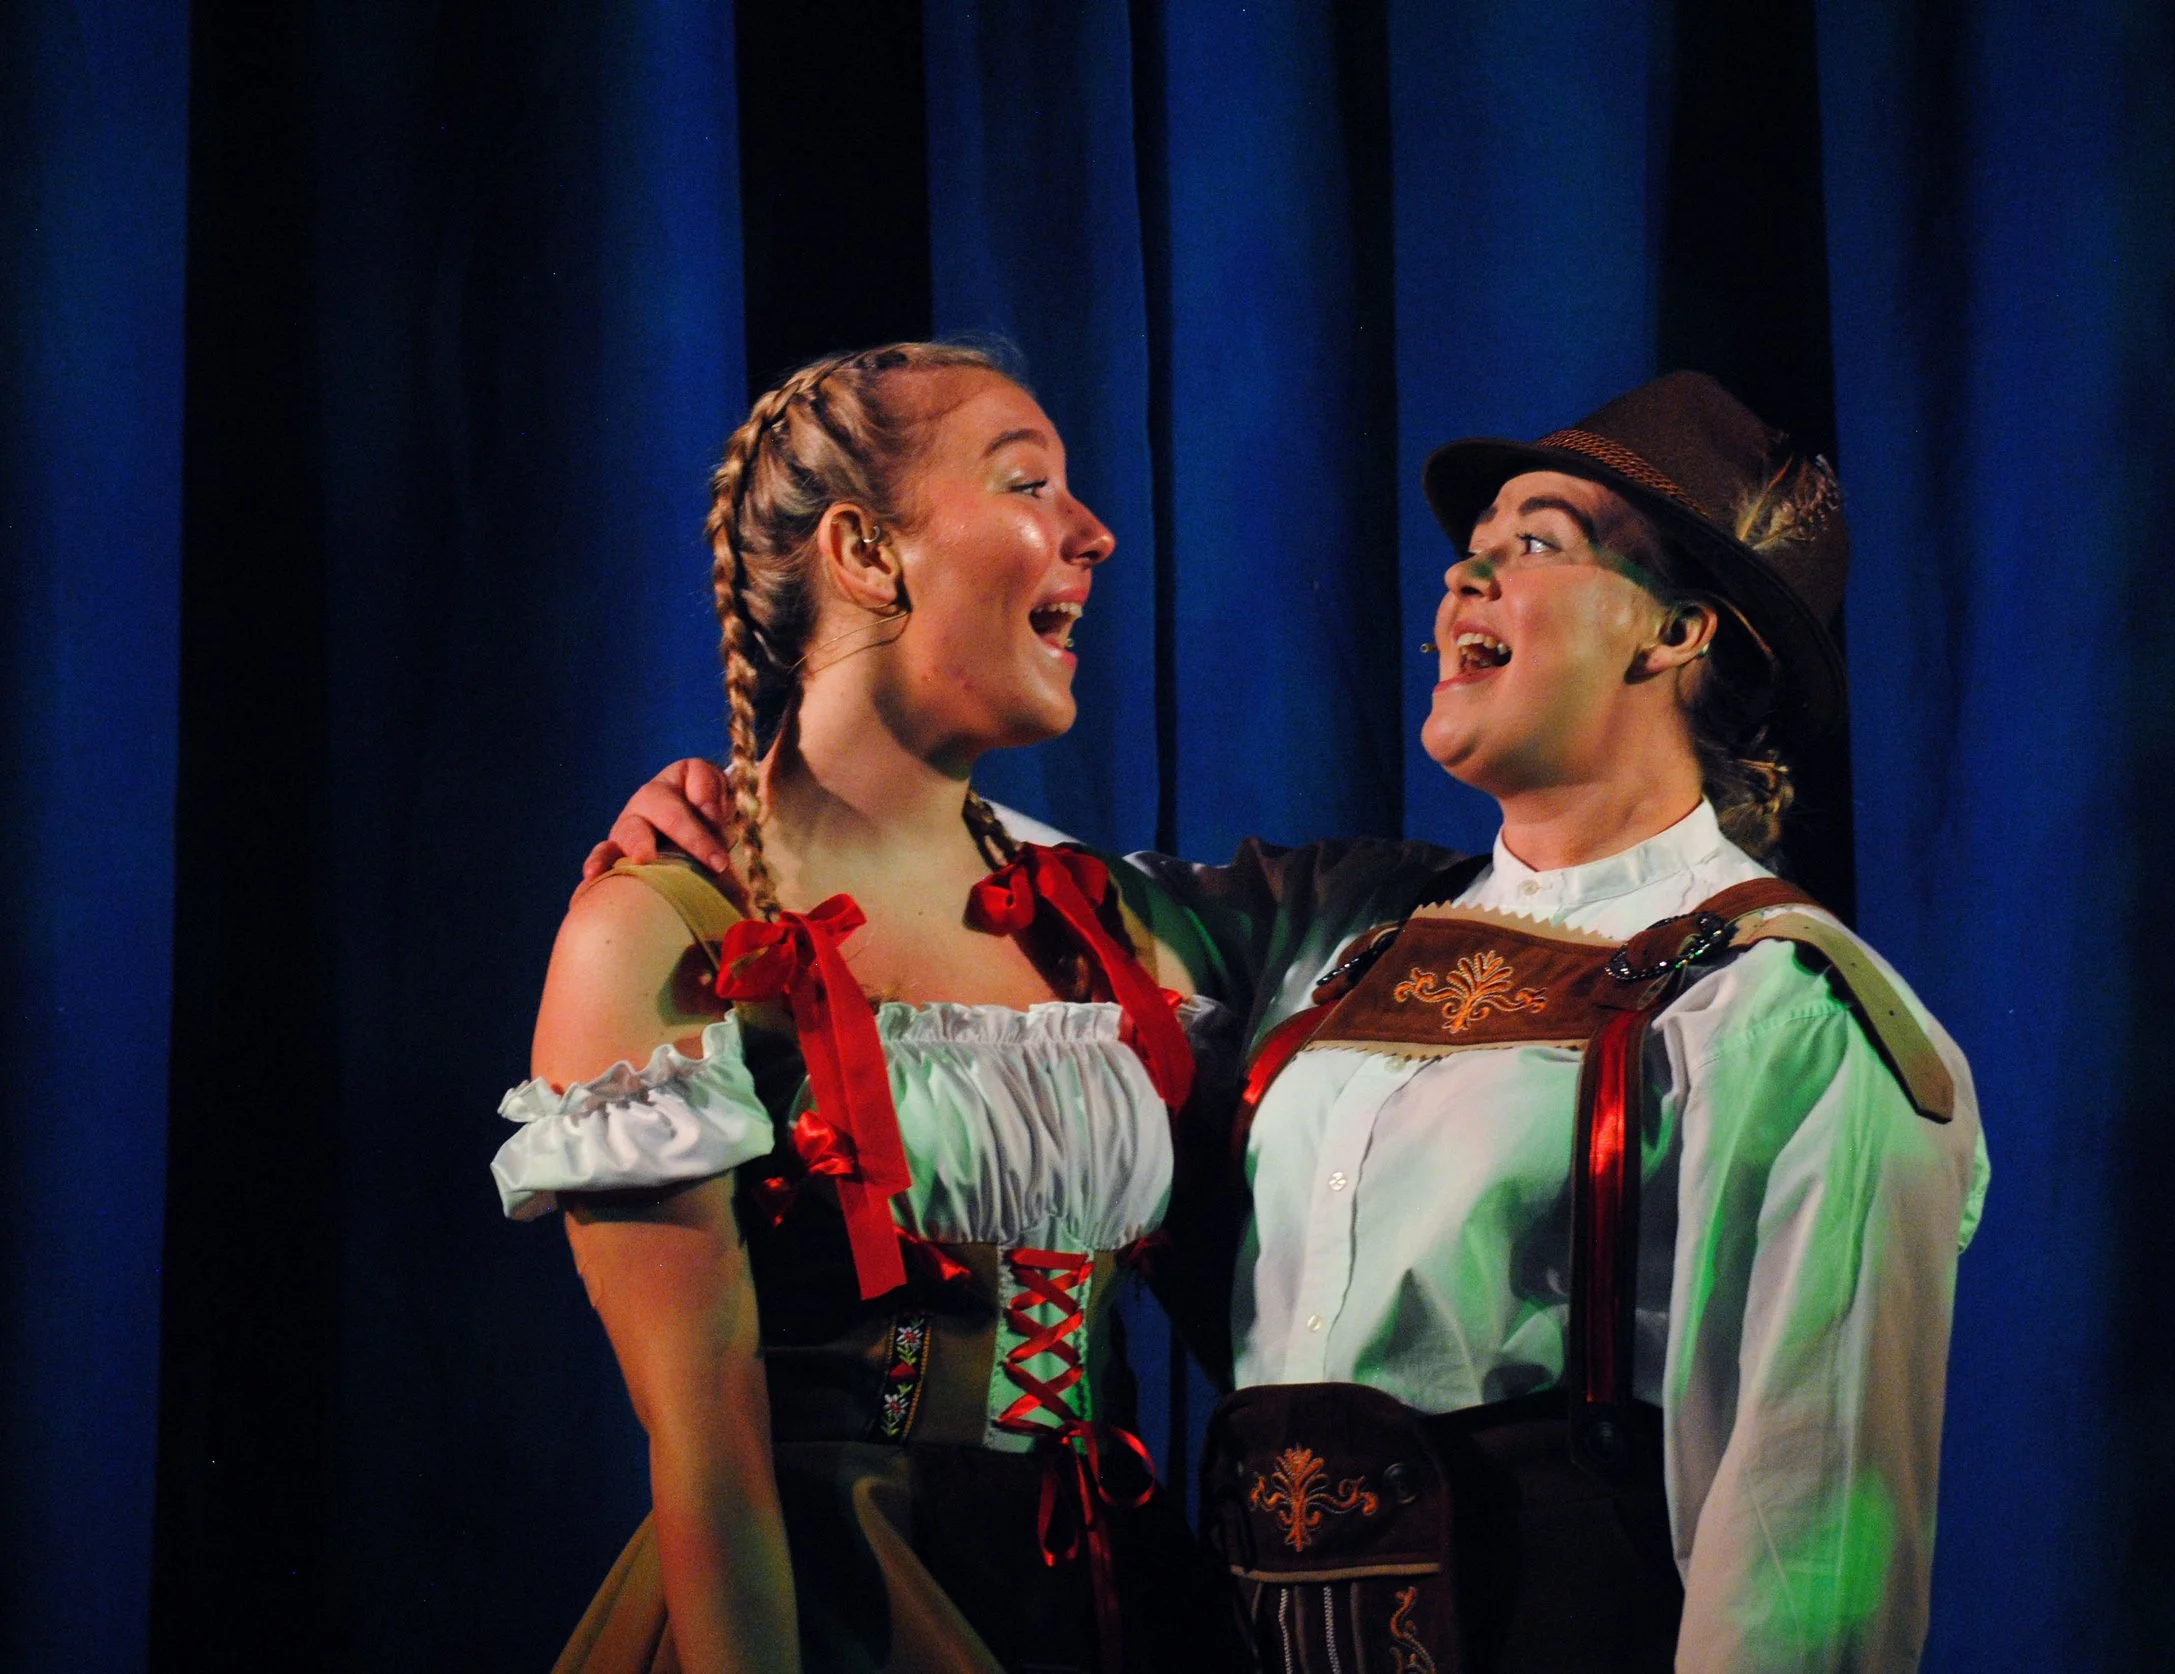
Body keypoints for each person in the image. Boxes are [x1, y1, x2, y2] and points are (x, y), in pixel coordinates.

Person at [603, 372, 1989, 1672]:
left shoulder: (1784, 1008)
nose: (1465, 568)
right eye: (1475, 541)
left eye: (1541, 541)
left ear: (1679, 630)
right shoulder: (1338, 933)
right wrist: (741, 820)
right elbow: (977, 903)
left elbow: (1806, 1549)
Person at [499, 341, 1228, 1674]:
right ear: (867, 550)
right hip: (840, 1602)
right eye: (1029, 484)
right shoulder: (660, 930)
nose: (1096, 531)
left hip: (1109, 1595)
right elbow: (708, 1455)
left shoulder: (1099, 924)